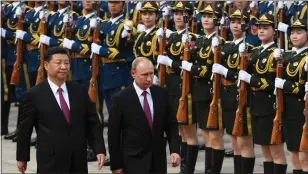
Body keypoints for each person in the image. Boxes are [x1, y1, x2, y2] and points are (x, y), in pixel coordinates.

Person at [16, 47, 106, 173]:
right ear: (46, 65)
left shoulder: (79, 91)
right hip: (50, 161)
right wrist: (22, 157)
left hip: (78, 160)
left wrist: (99, 149)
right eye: (58, 63)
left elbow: (92, 122)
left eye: (67, 63)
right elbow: (25, 129)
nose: (64, 67)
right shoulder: (34, 95)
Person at [108, 57, 181, 174]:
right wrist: (116, 165)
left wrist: (175, 150)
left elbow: (171, 125)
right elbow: (113, 135)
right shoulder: (120, 99)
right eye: (144, 74)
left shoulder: (161, 93)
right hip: (133, 162)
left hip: (158, 161)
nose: (149, 78)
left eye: (151, 74)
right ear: (133, 74)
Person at [239, 13, 287, 174]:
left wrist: (250, 79)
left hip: (270, 105)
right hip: (256, 104)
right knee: (265, 152)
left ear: (274, 31)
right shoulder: (256, 51)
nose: (261, 31)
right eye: (259, 28)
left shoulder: (277, 53)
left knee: (276, 151)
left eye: (266, 28)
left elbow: (274, 85)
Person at [156, 2, 199, 173]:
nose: (179, 16)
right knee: (179, 129)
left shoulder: (193, 38)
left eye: (183, 13)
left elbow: (190, 65)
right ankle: (183, 167)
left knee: (189, 130)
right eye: (176, 13)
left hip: (185, 86)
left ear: (190, 16)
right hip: (171, 86)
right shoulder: (171, 36)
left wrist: (170, 63)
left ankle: (189, 169)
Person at [212, 8, 255, 174]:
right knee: (235, 142)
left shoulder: (249, 48)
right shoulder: (226, 45)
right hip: (227, 96)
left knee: (244, 142)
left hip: (241, 96)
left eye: (240, 23)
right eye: (233, 22)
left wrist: (226, 72)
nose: (236, 26)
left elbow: (244, 76)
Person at [277, 19, 308, 174]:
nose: (295, 36)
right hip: (288, 108)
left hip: (302, 109)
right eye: (293, 33)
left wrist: (285, 85)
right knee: (293, 153)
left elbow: (302, 88)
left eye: (299, 32)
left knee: (304, 155)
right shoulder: (287, 55)